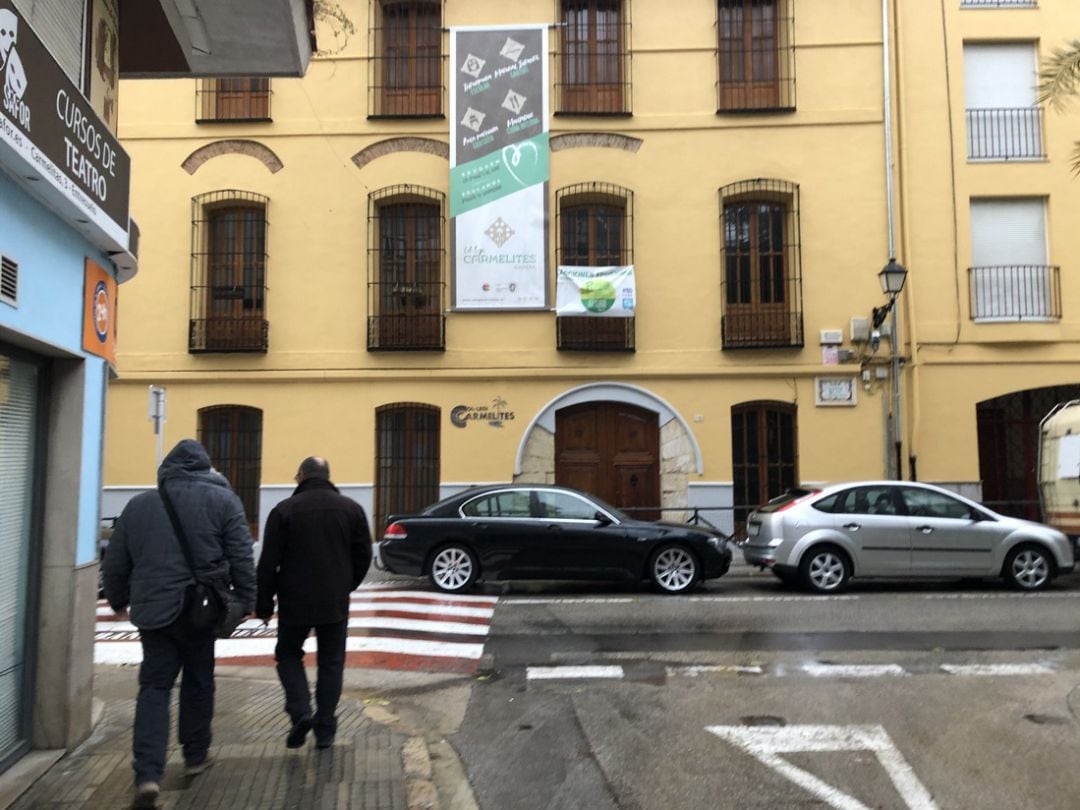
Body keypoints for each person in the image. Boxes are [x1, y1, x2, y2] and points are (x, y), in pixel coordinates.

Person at [103, 439, 256, 810]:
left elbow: (116, 560)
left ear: (167, 470)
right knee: (199, 680)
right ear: (205, 468)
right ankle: (196, 755)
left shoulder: (139, 505)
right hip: (201, 610)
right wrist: (247, 600)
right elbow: (241, 554)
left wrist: (118, 597)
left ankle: (148, 774)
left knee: (154, 687)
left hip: (154, 611)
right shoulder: (224, 501)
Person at [256, 456, 372, 750]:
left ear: (302, 476)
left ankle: (301, 711)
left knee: (288, 654)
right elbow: (363, 556)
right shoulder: (352, 509)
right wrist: (346, 584)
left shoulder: (284, 510)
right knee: (331, 662)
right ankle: (325, 730)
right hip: (335, 601)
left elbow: (267, 563)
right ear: (327, 476)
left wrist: (265, 604)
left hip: (294, 600)